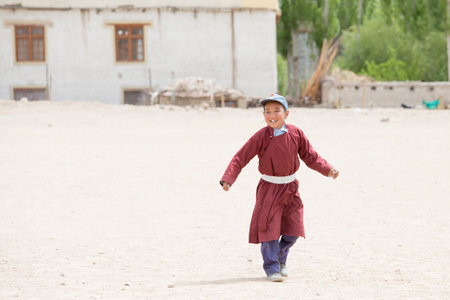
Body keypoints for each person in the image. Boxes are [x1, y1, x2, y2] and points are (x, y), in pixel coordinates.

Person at [220, 93, 339, 282]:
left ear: (287, 113)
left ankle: (280, 259)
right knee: (269, 231)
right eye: (267, 111)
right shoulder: (261, 136)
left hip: (291, 188)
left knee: (293, 230)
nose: (271, 115)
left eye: (276, 110)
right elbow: (240, 157)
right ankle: (272, 267)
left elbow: (310, 156)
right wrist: (228, 178)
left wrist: (328, 169)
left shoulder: (296, 133)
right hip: (269, 188)